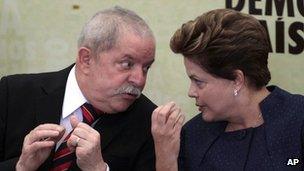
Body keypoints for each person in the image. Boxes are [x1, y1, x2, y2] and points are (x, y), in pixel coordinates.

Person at [0, 6, 157, 171]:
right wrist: (20, 167)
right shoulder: (12, 94)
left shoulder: (150, 123)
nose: (139, 80)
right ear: (86, 59)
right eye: (127, 64)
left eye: (146, 67)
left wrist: (99, 169)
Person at [151, 8, 304, 170]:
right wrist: (166, 159)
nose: (191, 92)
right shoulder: (192, 136)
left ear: (237, 80)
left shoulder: (298, 118)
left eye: (198, 81)